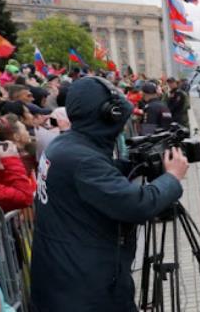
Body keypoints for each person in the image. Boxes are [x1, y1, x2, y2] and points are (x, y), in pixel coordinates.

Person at [30, 77, 189, 312]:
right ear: (108, 115)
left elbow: (96, 174)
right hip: (85, 289)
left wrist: (133, 165)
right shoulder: (82, 159)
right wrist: (172, 178)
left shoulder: (64, 145)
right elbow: (137, 205)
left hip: (63, 278)